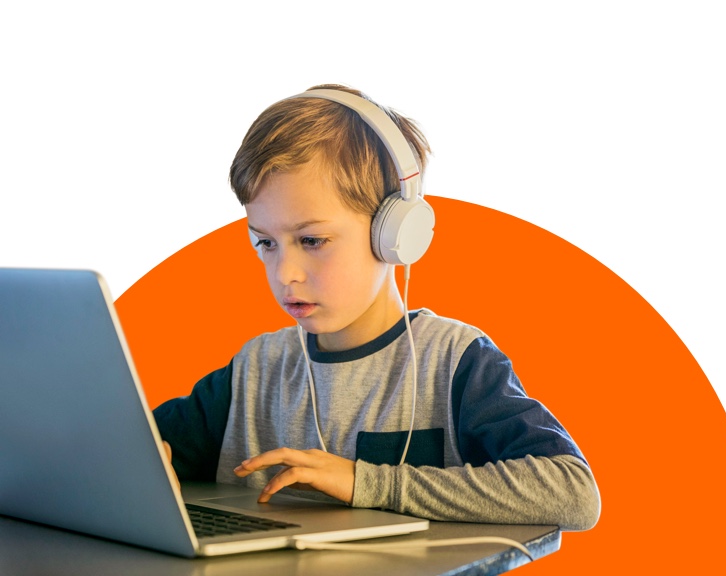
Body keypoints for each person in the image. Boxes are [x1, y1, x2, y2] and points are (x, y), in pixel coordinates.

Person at [154, 84, 601, 531]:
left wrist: (365, 483)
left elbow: (573, 493)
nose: (284, 272)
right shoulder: (255, 370)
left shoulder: (453, 362)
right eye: (265, 243)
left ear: (395, 234)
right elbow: (135, 445)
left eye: (312, 240)